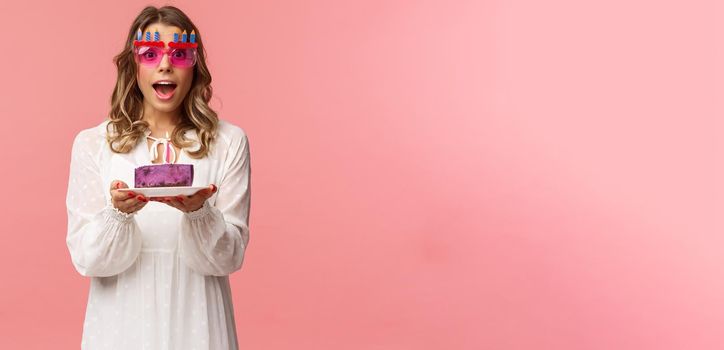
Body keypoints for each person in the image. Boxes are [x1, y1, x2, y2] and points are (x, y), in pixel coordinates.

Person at [65, 6, 250, 349]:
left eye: (179, 55)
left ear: (195, 67)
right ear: (133, 66)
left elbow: (229, 258)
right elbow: (87, 259)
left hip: (200, 322)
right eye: (150, 54)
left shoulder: (227, 142)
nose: (164, 64)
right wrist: (118, 215)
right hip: (120, 324)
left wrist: (199, 213)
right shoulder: (93, 144)